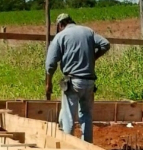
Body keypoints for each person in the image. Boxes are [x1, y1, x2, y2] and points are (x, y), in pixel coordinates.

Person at [45, 13, 110, 142]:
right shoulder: (88, 31)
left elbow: (50, 64)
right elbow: (105, 44)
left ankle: (69, 145)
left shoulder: (61, 36)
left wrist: (48, 83)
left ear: (60, 25)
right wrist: (93, 57)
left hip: (73, 81)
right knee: (86, 114)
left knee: (68, 116)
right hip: (89, 81)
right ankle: (87, 145)